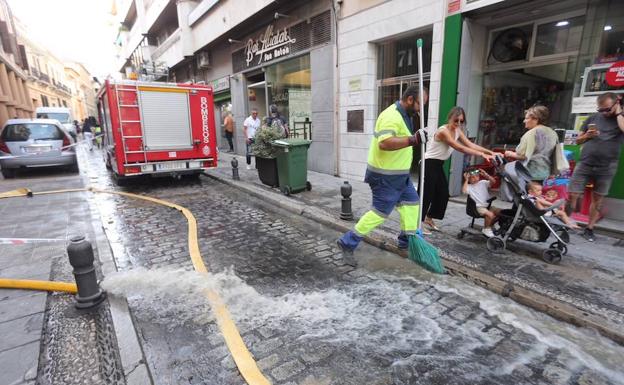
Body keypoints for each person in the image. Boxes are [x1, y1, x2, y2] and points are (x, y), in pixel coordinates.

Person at [336, 86, 428, 267]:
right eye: (419, 105)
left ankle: (406, 241)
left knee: (412, 205)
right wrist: (414, 140)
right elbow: (384, 143)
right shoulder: (391, 115)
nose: (420, 110)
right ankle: (347, 242)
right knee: (379, 213)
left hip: (399, 176)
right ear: (410, 99)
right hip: (385, 177)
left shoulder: (406, 115)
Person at [422, 107, 495, 232]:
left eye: (462, 121)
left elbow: (470, 144)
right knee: (427, 194)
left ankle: (429, 217)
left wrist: (490, 152)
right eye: (456, 120)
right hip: (428, 164)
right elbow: (460, 148)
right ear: (450, 118)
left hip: (438, 164)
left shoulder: (458, 131)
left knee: (443, 193)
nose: (459, 124)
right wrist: (482, 155)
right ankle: (419, 222)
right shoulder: (443, 131)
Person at [567, 93, 624, 242]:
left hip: (607, 166)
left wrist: (618, 112)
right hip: (585, 162)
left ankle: (589, 228)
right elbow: (577, 140)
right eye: (600, 110)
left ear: (616, 103)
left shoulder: (620, 119)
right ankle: (564, 223)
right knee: (573, 194)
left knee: (597, 199)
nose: (603, 113)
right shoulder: (592, 118)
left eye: (606, 109)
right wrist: (587, 136)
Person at [504, 105, 558, 183]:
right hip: (545, 173)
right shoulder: (552, 133)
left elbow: (524, 156)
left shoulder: (531, 133)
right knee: (537, 194)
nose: (524, 121)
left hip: (529, 173)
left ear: (535, 119)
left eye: (526, 118)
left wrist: (510, 153)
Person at [462, 169, 501, 237]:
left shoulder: (483, 182)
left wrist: (486, 175)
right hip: (478, 207)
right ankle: (486, 229)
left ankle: (489, 225)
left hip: (486, 205)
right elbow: (464, 191)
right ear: (469, 178)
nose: (475, 179)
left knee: (500, 212)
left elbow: (493, 181)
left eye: (477, 176)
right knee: (490, 215)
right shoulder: (469, 187)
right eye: (472, 177)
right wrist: (466, 180)